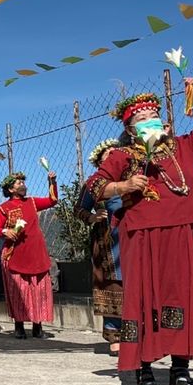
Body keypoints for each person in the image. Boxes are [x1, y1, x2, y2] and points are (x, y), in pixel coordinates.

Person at [86, 82, 193, 385]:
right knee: (144, 297)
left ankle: (180, 368)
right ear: (131, 127)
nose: (150, 118)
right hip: (142, 235)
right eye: (142, 116)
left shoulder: (183, 146)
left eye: (154, 114)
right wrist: (122, 187)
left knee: (182, 294)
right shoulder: (121, 156)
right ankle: (144, 369)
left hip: (181, 231)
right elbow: (93, 186)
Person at [0, 170, 57, 340]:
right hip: (15, 255)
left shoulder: (33, 202)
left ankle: (38, 326)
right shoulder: (3, 208)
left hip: (36, 252)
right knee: (18, 291)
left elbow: (52, 200)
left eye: (23, 182)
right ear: (10, 189)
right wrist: (6, 231)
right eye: (18, 183)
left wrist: (52, 182)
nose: (23, 185)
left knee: (40, 291)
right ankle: (19, 326)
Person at [75, 138, 123, 356]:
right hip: (107, 243)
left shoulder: (133, 177)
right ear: (100, 161)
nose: (113, 155)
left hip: (135, 239)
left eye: (116, 151)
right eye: (108, 153)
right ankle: (114, 336)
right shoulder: (93, 183)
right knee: (112, 285)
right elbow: (79, 209)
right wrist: (92, 217)